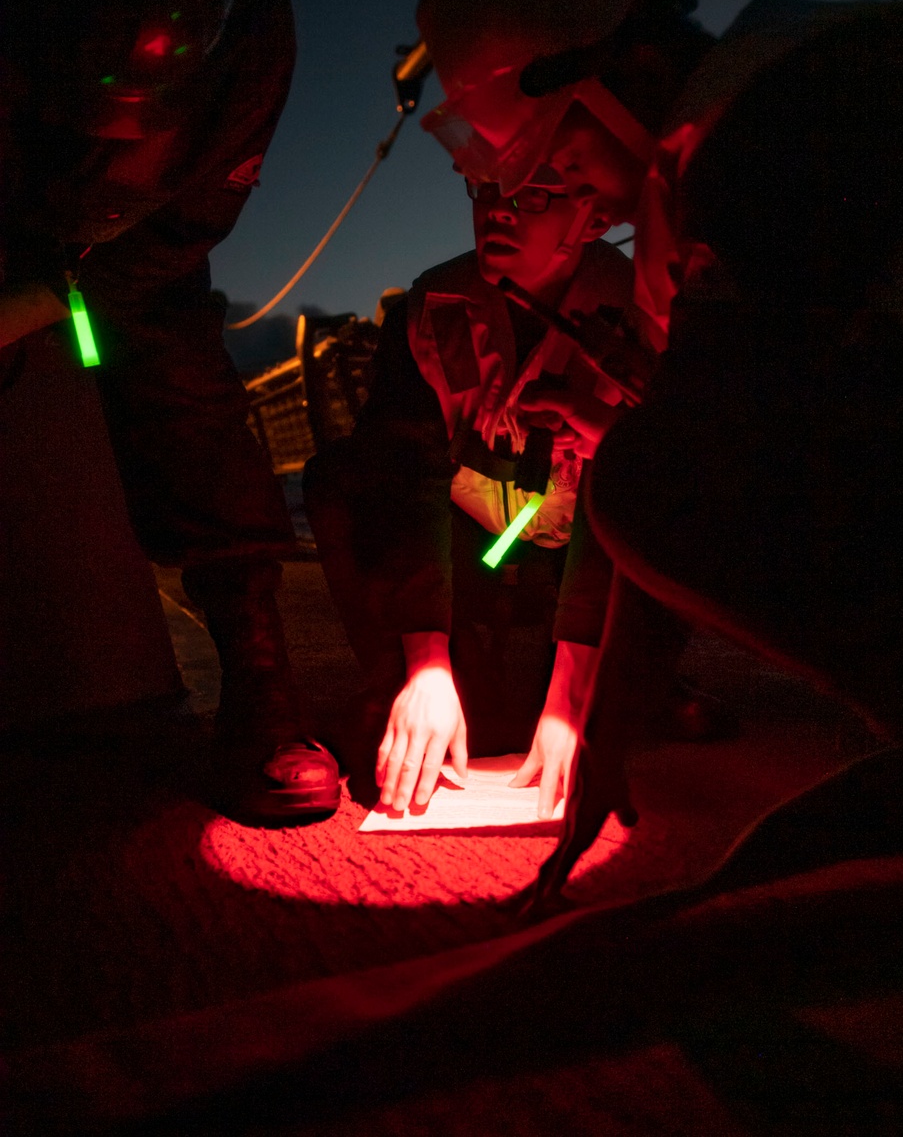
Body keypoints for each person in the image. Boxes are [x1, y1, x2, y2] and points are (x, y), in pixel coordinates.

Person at [412, 0, 903, 884]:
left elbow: (691, 453)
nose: (568, 195)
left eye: (557, 159)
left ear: (618, 68)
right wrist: (605, 731)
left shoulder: (779, 130)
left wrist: (598, 711)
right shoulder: (764, 89)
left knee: (640, 482)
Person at [0, 0, 340, 824]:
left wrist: (68, 289)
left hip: (134, 249)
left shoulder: (249, 38)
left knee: (176, 369)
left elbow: (181, 231)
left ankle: (256, 671)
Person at [304, 157, 724, 817]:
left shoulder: (640, 313)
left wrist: (571, 693)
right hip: (473, 542)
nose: (498, 209)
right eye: (488, 188)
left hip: (579, 544)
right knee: (339, 479)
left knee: (667, 484)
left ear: (593, 218)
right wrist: (426, 664)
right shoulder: (433, 309)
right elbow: (404, 479)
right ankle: (408, 693)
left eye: (535, 196)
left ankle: (631, 678)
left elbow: (642, 489)